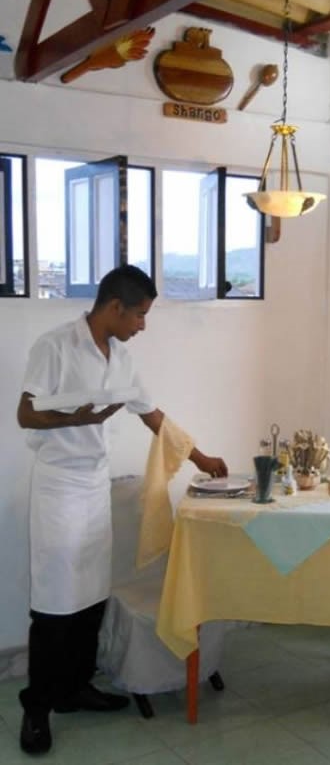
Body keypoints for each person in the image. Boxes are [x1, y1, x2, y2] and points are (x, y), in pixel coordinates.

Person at [16, 264, 227, 755]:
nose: (142, 325)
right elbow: (26, 412)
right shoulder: (55, 346)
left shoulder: (121, 358)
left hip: (93, 487)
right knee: (54, 608)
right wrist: (76, 416)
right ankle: (37, 707)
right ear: (114, 307)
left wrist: (201, 457)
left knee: (90, 598)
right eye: (139, 314)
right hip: (58, 488)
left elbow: (152, 415)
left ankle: (75, 688)